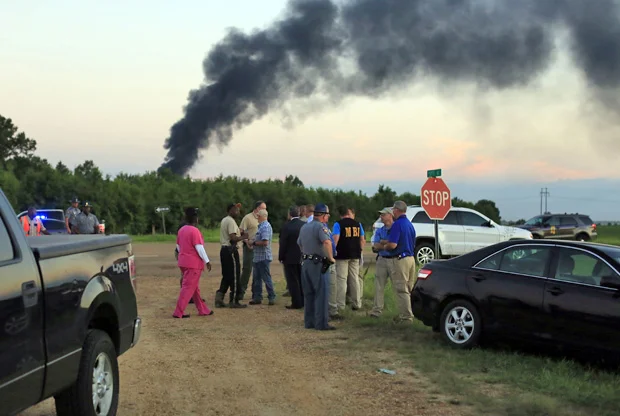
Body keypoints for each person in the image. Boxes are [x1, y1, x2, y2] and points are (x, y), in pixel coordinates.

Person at [297, 203, 336, 331]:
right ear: (323, 215)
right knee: (321, 293)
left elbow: (300, 244)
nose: (328, 217)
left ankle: (309, 322)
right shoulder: (321, 227)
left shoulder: (304, 227)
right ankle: (321, 323)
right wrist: (330, 258)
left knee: (309, 294)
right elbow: (327, 242)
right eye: (328, 215)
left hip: (305, 262)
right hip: (317, 263)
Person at [172, 207, 214, 318]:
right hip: (193, 264)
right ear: (196, 219)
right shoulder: (195, 231)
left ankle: (203, 309)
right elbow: (199, 248)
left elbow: (178, 246)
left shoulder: (181, 230)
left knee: (194, 288)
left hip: (183, 262)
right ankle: (178, 312)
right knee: (188, 288)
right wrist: (207, 261)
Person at [381, 201, 417, 322]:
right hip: (411, 259)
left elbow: (393, 244)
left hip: (401, 259)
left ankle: (406, 317)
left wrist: (384, 246)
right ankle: (410, 312)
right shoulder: (409, 224)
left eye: (393, 210)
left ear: (396, 210)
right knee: (409, 287)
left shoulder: (397, 224)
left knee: (401, 289)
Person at [215, 203, 249, 308]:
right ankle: (234, 300)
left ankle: (219, 298)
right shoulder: (230, 221)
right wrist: (243, 237)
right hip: (230, 251)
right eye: (235, 210)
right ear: (230, 210)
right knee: (235, 275)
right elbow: (232, 238)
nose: (237, 212)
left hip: (224, 250)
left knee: (226, 276)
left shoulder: (225, 220)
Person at [332, 206, 365, 311]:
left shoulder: (338, 224)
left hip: (342, 255)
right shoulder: (358, 224)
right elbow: (362, 240)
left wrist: (332, 252)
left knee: (342, 279)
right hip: (355, 254)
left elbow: (335, 239)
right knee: (354, 278)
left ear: (341, 215)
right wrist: (360, 251)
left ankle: (340, 305)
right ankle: (357, 303)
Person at [370, 208, 396, 318]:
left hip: (395, 260)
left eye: (383, 215)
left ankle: (400, 311)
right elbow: (375, 245)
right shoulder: (380, 230)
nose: (381, 217)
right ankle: (377, 310)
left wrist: (384, 242)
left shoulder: (396, 228)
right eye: (381, 215)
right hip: (382, 259)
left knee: (398, 287)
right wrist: (388, 244)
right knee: (379, 285)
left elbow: (395, 244)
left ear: (390, 215)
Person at [248, 209, 276, 305]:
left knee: (266, 278)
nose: (257, 218)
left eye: (258, 216)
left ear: (262, 216)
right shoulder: (261, 227)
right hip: (258, 257)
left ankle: (271, 296)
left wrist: (254, 242)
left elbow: (265, 242)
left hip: (263, 257)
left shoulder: (265, 227)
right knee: (257, 279)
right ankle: (257, 297)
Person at [279, 205, 305, 309]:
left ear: (289, 214)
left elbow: (283, 243)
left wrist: (281, 256)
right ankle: (303, 301)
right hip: (302, 256)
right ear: (299, 213)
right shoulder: (304, 225)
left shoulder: (286, 226)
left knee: (292, 281)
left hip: (289, 257)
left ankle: (296, 302)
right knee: (302, 279)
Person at [175, 215, 205, 304]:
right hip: (185, 254)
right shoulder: (186, 226)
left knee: (190, 277)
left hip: (185, 253)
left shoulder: (190, 227)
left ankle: (192, 296)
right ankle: (186, 296)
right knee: (186, 276)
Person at [239, 201, 266, 300]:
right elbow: (241, 231)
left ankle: (256, 293)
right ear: (257, 208)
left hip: (259, 248)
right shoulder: (247, 218)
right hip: (249, 248)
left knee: (258, 271)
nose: (265, 210)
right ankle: (240, 292)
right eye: (263, 208)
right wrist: (247, 242)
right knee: (247, 270)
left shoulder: (263, 219)